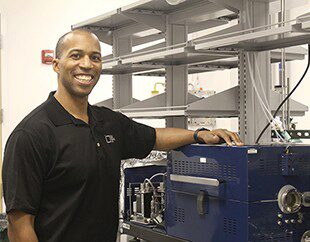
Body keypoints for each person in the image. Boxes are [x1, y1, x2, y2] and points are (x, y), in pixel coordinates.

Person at [2, 29, 243, 242]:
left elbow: (155, 137)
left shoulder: (108, 122)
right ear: (56, 64)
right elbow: (19, 223)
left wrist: (198, 135)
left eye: (94, 57)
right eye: (76, 55)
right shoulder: (32, 134)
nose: (87, 64)